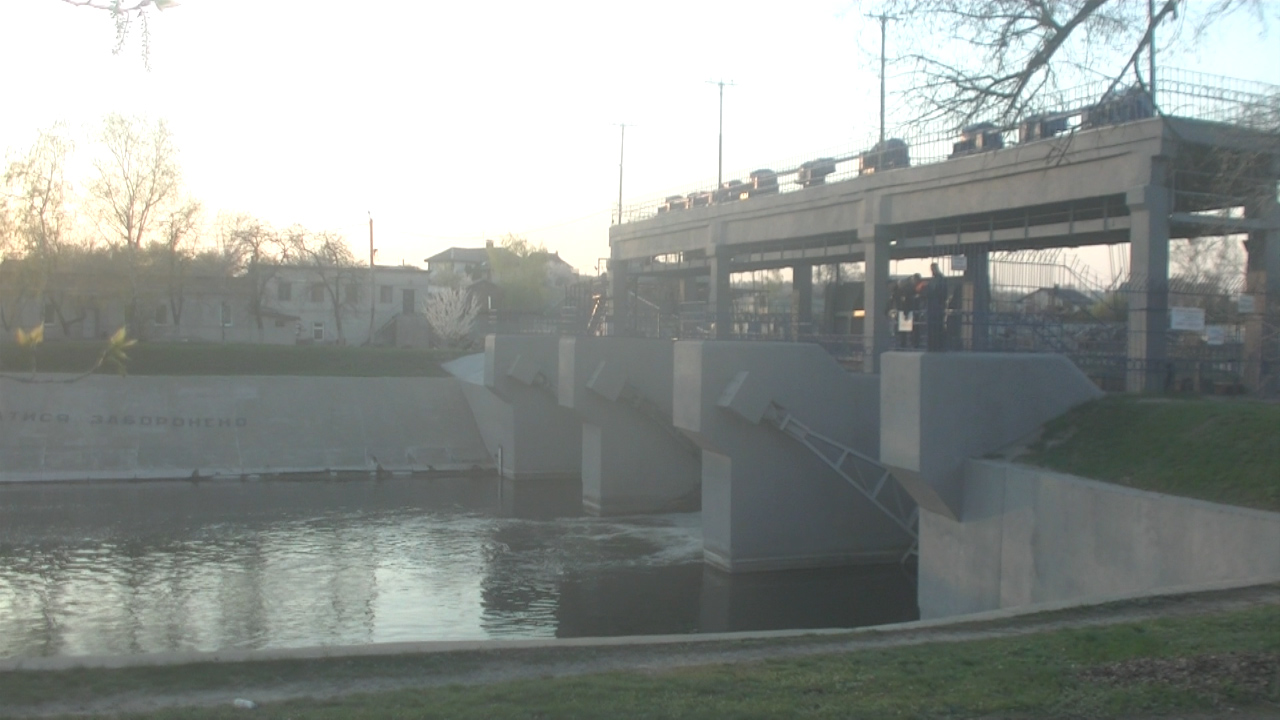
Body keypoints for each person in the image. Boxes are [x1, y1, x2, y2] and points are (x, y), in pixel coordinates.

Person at [926, 263, 948, 351]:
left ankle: (936, 345)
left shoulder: (938, 280)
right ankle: (936, 345)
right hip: (935, 306)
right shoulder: (939, 280)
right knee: (935, 326)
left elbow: (942, 294)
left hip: (936, 306)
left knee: (936, 326)